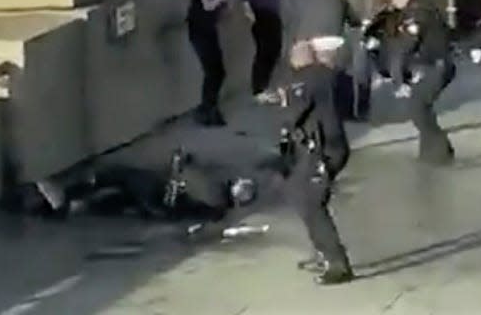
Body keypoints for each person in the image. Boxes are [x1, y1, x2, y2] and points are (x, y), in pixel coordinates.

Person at [26, 148, 263, 224]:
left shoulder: (216, 198)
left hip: (157, 195)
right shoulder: (218, 202)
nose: (241, 181)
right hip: (158, 205)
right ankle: (62, 207)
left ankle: (64, 199)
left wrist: (179, 169)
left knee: (119, 177)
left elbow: (186, 192)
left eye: (244, 187)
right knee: (113, 202)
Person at [281, 41, 353, 285]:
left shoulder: (305, 79)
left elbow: (294, 114)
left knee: (311, 203)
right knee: (297, 192)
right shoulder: (331, 75)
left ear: (296, 59)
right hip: (334, 145)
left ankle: (337, 263)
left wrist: (284, 106)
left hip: (322, 151)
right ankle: (322, 251)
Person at [382, 0, 458, 164]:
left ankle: (441, 149)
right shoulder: (420, 5)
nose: (392, 1)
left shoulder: (417, 13)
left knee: (417, 107)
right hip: (436, 64)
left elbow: (404, 47)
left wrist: (398, 80)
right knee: (422, 107)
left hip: (435, 67)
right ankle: (429, 151)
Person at [315, 0, 378, 120]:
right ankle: (345, 110)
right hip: (337, 20)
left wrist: (368, 18)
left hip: (357, 20)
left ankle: (363, 109)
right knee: (340, 67)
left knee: (360, 68)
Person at [280, 40, 350, 183]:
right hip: (337, 134)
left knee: (316, 181)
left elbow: (297, 112)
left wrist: (285, 106)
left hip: (320, 139)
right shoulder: (329, 73)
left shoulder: (301, 80)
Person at [187, 0, 233, 126]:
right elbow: (208, 5)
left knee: (216, 71)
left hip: (206, 28)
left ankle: (209, 107)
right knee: (214, 71)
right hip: (200, 29)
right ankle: (206, 109)